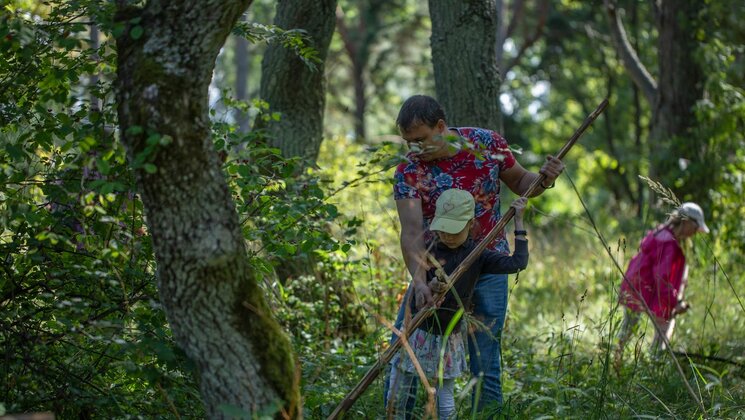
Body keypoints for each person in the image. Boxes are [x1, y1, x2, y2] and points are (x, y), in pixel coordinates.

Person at [387, 94, 564, 414]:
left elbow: (524, 182)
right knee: (406, 352)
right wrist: (420, 281)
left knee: (485, 362)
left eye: (421, 139)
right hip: (436, 273)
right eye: (407, 141)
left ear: (441, 126)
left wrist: (545, 180)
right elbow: (411, 232)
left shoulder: (486, 144)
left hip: (488, 264)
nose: (414, 148)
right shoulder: (408, 170)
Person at [387, 190, 530, 419]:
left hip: (447, 337)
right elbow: (417, 292)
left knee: (445, 400)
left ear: (471, 224)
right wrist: (429, 287)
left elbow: (518, 262)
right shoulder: (428, 249)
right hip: (418, 331)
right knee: (398, 391)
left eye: (454, 230)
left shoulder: (478, 255)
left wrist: (519, 221)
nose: (448, 236)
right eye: (443, 229)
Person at [614, 202, 710, 369]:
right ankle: (651, 366)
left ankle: (618, 360)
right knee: (663, 329)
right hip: (645, 289)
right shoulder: (669, 243)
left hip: (636, 285)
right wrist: (675, 303)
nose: (695, 232)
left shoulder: (661, 233)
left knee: (628, 327)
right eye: (695, 227)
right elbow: (662, 278)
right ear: (686, 222)